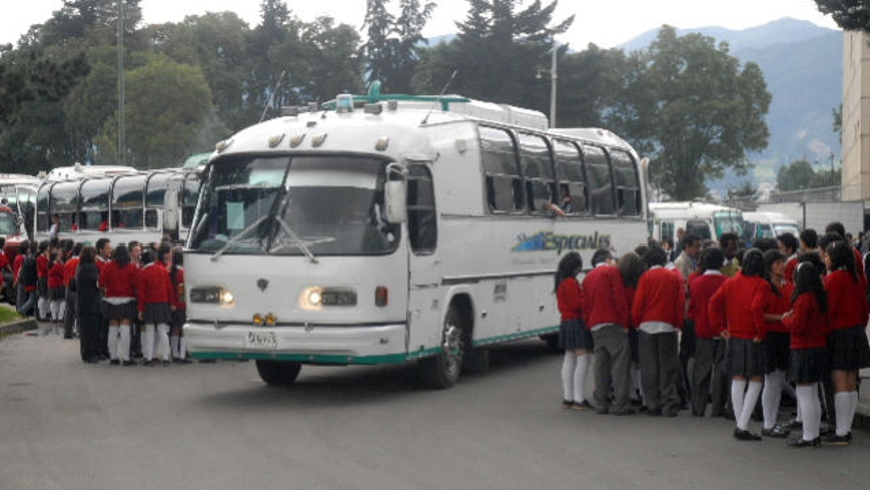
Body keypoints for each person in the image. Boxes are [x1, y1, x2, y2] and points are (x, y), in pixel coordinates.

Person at [710, 249, 768, 441]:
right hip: (753, 337)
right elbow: (756, 307)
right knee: (756, 379)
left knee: (738, 377)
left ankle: (740, 423)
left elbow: (713, 303)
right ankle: (742, 425)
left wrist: (720, 327)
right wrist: (761, 332)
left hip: (734, 335)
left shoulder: (730, 282)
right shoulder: (762, 284)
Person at [822, 240, 870, 445]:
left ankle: (841, 432)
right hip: (856, 332)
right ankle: (846, 428)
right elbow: (865, 310)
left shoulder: (834, 279)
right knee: (851, 383)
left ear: (835, 258)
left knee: (840, 382)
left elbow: (829, 310)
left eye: (827, 255)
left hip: (839, 334)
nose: (825, 258)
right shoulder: (856, 278)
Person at [632, 246, 684, 417]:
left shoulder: (645, 278)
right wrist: (677, 324)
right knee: (667, 367)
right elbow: (679, 303)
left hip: (647, 326)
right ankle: (669, 403)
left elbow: (638, 303)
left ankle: (652, 404)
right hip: (667, 326)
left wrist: (637, 322)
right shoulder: (673, 277)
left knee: (649, 367)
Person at [781, 261, 829, 447]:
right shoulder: (819, 297)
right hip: (818, 348)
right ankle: (813, 434)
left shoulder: (803, 299)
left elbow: (797, 326)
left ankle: (808, 436)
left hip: (803, 349)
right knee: (813, 394)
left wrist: (785, 320)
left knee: (805, 394)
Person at [582, 249, 634, 416]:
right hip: (612, 322)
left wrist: (588, 323)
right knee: (619, 364)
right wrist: (625, 323)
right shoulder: (611, 272)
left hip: (595, 325)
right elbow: (619, 298)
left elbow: (585, 305)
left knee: (601, 365)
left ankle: (601, 402)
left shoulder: (588, 278)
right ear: (608, 259)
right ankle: (621, 404)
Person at [752, 249, 793, 438]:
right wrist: (779, 317)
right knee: (772, 381)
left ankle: (771, 421)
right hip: (772, 336)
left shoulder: (787, 285)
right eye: (777, 263)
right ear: (769, 267)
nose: (782, 266)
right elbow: (757, 311)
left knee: (777, 380)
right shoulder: (765, 286)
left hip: (784, 335)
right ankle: (769, 423)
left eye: (782, 262)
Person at [689, 247, 728, 417]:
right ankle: (718, 407)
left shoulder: (696, 282)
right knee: (720, 369)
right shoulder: (727, 282)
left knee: (701, 370)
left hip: (703, 329)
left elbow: (692, 309)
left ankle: (698, 407)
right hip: (723, 330)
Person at [554, 252, 593, 410]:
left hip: (566, 322)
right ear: (574, 267)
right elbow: (577, 304)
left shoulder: (560, 281)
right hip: (576, 322)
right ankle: (579, 399)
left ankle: (568, 398)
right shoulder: (570, 282)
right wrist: (585, 297)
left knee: (569, 357)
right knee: (583, 358)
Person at [100, 244, 139, 366]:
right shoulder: (132, 267)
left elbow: (101, 282)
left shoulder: (107, 266)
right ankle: (126, 357)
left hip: (111, 300)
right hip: (127, 300)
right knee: (125, 328)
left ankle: (113, 356)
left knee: (113, 328)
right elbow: (136, 284)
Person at [137, 248, 175, 366]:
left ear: (143, 261)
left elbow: (141, 294)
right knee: (162, 331)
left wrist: (140, 309)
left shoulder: (143, 273)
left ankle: (149, 357)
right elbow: (169, 288)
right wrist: (172, 303)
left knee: (149, 331)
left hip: (149, 305)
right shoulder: (162, 270)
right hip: (163, 303)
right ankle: (166, 356)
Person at [74, 246, 101, 364]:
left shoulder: (80, 267)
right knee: (91, 331)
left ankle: (86, 352)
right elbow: (97, 283)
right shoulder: (91, 268)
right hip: (91, 303)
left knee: (85, 330)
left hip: (82, 302)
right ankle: (90, 354)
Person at [169, 247, 189, 363]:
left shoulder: (173, 271)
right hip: (181, 303)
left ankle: (175, 354)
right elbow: (182, 291)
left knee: (175, 329)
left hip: (174, 303)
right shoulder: (182, 273)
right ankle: (182, 355)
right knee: (183, 330)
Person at [62, 243, 82, 339]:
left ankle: (67, 332)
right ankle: (79, 331)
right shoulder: (80, 262)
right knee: (78, 311)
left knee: (69, 311)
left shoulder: (68, 262)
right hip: (77, 289)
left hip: (68, 288)